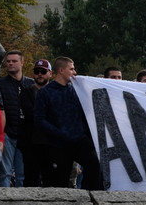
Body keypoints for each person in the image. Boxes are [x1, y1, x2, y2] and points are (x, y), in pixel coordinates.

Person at [34, 57, 103, 190]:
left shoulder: (76, 91)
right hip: (57, 144)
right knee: (60, 182)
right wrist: (59, 133)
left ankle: (88, 197)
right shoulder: (45, 92)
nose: (74, 72)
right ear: (61, 70)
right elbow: (39, 120)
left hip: (79, 140)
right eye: (71, 69)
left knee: (95, 164)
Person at [0, 50, 34, 187]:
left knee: (22, 173)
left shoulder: (31, 84)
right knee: (4, 172)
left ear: (22, 63)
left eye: (14, 61)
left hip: (26, 135)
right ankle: (2, 204)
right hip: (7, 133)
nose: (10, 63)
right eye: (8, 61)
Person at [18, 59, 52, 187]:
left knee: (50, 178)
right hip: (30, 142)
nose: (39, 74)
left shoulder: (55, 91)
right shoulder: (26, 91)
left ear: (50, 73)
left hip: (50, 142)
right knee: (31, 178)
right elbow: (29, 113)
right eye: (37, 71)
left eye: (43, 71)